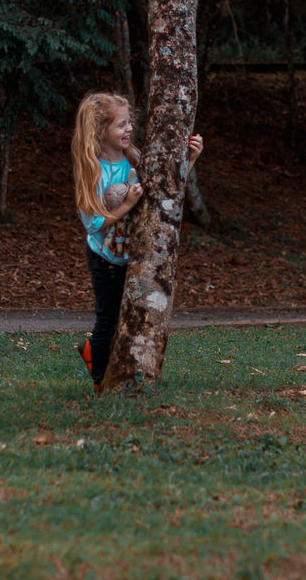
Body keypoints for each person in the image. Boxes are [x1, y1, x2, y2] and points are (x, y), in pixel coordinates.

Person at [70, 92, 203, 391]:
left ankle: (105, 360)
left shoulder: (134, 157)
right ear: (100, 131)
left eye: (129, 122)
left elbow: (163, 192)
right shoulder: (94, 171)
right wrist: (127, 205)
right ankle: (100, 380)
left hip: (132, 255)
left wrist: (191, 159)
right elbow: (92, 224)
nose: (129, 128)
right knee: (108, 319)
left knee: (127, 318)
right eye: (121, 124)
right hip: (105, 259)